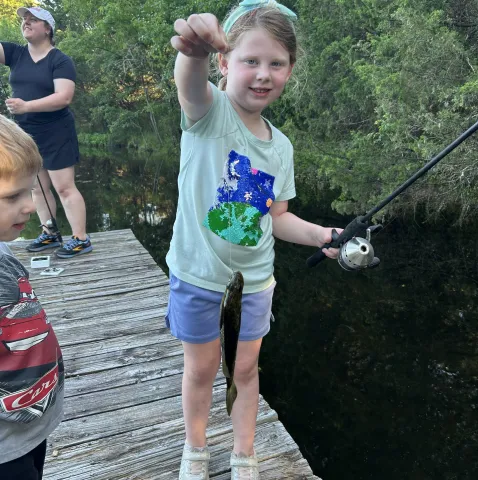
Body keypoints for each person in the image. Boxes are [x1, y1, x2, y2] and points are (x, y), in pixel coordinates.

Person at [167, 1, 343, 478]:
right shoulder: (209, 113)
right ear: (224, 63)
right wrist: (194, 51)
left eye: (276, 63)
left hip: (255, 284)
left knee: (245, 371)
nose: (263, 74)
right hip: (198, 278)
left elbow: (278, 218)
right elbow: (189, 83)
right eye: (251, 60)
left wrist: (322, 235)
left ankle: (243, 453)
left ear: (290, 70)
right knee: (201, 370)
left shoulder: (280, 147)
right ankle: (195, 449)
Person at [0, 113, 65, 479]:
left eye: (29, 191)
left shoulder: (3, 246)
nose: (29, 206)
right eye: (13, 196)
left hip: (29, 425)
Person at [0, 6, 92, 258]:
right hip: (26, 134)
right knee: (36, 188)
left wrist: (26, 106)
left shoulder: (60, 60)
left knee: (64, 187)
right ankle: (50, 232)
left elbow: (64, 97)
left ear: (48, 28)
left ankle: (80, 238)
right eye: (25, 19)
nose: (26, 22)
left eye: (33, 19)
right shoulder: (16, 53)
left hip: (56, 132)